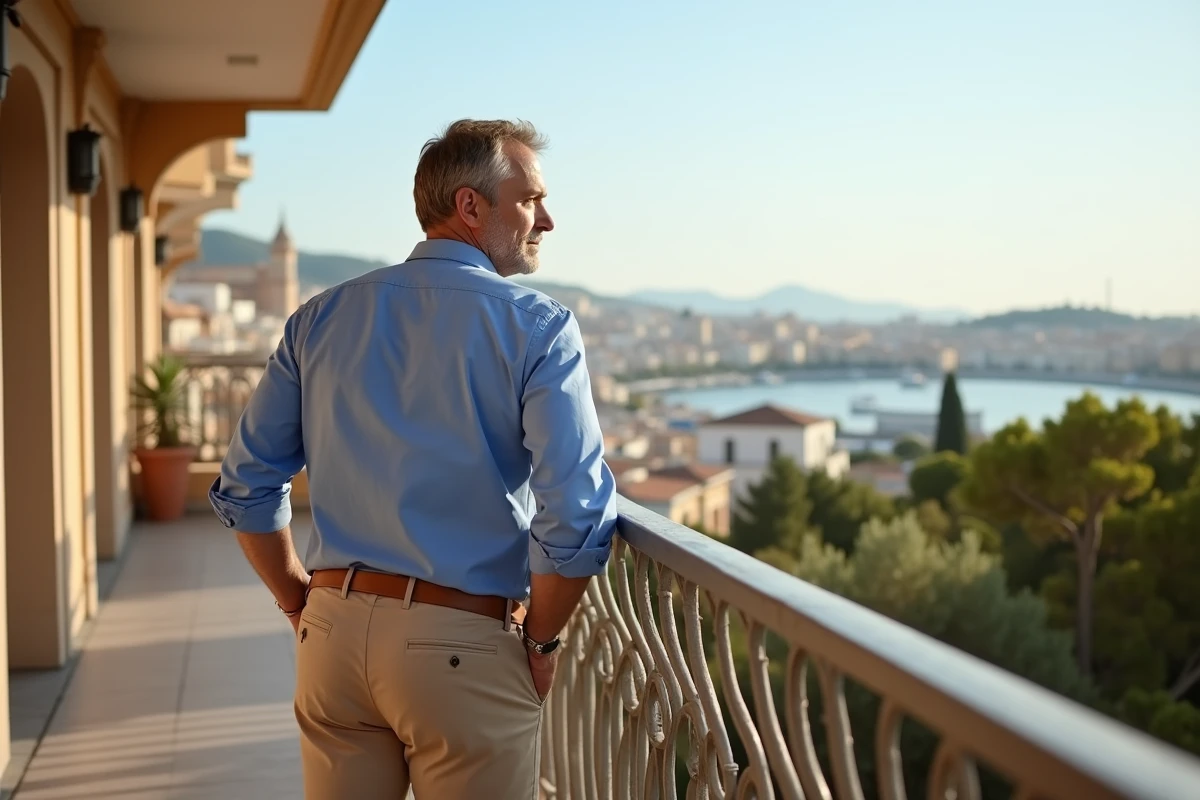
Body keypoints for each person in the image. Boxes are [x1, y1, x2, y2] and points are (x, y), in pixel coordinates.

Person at [209, 119, 618, 799]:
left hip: (333, 634)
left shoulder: (320, 316)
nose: (547, 218)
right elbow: (573, 515)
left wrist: (297, 602)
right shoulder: (540, 326)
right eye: (530, 199)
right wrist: (541, 644)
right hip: (461, 644)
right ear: (469, 206)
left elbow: (245, 483)